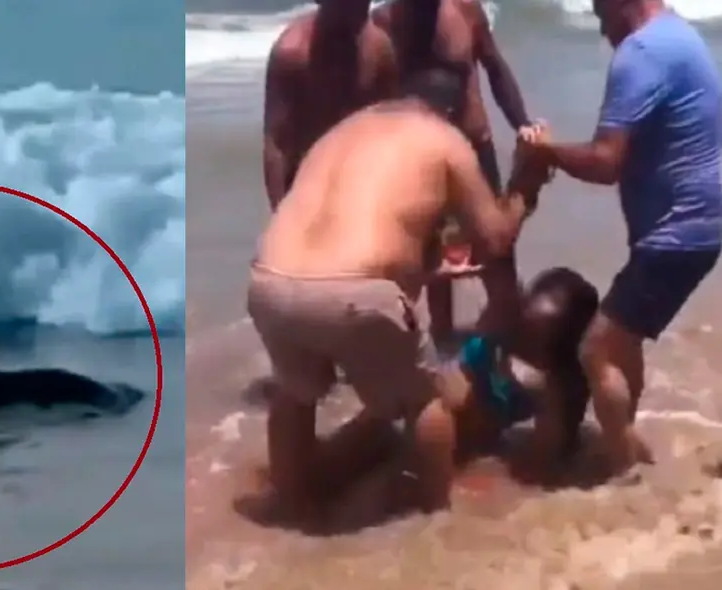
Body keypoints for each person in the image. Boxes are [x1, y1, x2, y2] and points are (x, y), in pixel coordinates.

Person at [246, 66, 551, 518]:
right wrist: (526, 183)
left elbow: (350, 229)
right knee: (424, 399)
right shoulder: (443, 138)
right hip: (353, 294)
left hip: (269, 282)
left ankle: (292, 505)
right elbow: (495, 240)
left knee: (295, 394)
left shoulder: (342, 131)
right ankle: (433, 516)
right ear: (453, 110)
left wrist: (420, 265)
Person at [519, 0, 722, 477]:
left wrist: (545, 152)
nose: (601, 27)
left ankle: (625, 472)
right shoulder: (677, 33)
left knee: (597, 348)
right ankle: (628, 445)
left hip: (680, 230)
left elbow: (605, 162)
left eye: (600, 13)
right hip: (698, 224)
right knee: (623, 341)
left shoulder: (643, 53)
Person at [372, 0, 534, 347]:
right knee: (434, 269)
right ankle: (445, 356)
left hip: (475, 149)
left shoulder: (466, 10)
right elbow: (370, 98)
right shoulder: (384, 23)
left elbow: (495, 68)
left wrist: (523, 125)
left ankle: (505, 349)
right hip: (420, 160)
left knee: (498, 256)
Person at [434, 267, 598, 477]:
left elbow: (548, 457)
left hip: (519, 394)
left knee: (556, 452)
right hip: (470, 371)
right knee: (456, 405)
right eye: (522, 328)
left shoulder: (565, 383)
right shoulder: (488, 343)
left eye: (534, 341)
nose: (520, 342)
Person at [262, 0, 399, 212]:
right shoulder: (293, 54)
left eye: (362, 4)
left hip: (360, 183)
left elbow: (389, 131)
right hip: (306, 184)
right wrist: (281, 214)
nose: (356, 11)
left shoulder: (379, 49)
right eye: (346, 5)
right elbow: (277, 145)